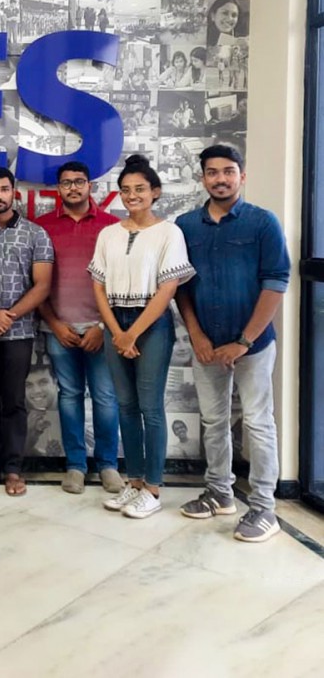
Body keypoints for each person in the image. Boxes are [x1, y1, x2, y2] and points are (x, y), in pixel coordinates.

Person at [175, 144, 290, 542]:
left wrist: (243, 341)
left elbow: (276, 283)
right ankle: (219, 493)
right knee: (213, 420)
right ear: (203, 177)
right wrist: (197, 335)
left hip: (253, 346)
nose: (220, 179)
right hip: (207, 344)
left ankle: (263, 508)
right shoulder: (186, 225)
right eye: (212, 172)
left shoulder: (262, 222)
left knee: (257, 421)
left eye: (228, 171)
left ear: (242, 175)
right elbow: (181, 287)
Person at [88, 155, 195, 519]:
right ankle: (133, 482)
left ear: (155, 192)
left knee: (151, 407)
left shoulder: (169, 233)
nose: (132, 196)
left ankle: (152, 488)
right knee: (126, 406)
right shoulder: (109, 234)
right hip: (114, 322)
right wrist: (117, 332)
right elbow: (98, 286)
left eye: (140, 189)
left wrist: (132, 333)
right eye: (125, 190)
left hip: (152, 325)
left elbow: (168, 289)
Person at [0, 168, 53, 496]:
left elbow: (42, 286)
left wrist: (8, 317)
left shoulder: (35, 234)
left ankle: (14, 468)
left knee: (14, 400)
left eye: (4, 189)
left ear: (14, 192)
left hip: (20, 332)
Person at [37, 162, 123, 496]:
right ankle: (75, 465)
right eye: (66, 183)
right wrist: (54, 324)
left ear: (90, 185)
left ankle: (108, 464)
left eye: (79, 182)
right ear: (58, 189)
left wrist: (103, 326)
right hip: (59, 329)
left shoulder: (112, 227)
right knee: (69, 396)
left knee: (105, 397)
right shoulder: (43, 227)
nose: (73, 188)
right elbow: (37, 284)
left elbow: (120, 282)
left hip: (102, 329)